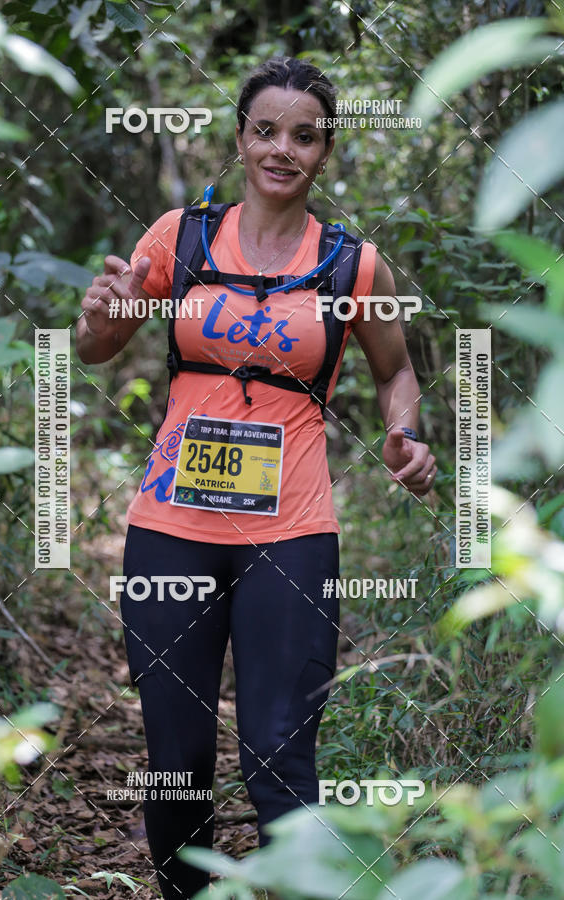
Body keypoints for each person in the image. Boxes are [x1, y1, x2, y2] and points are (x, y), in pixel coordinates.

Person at [76, 56, 436, 900]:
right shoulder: (179, 237)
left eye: (304, 136)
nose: (283, 149)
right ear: (240, 139)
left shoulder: (355, 266)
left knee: (279, 752)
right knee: (177, 761)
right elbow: (100, 346)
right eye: (266, 131)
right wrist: (98, 317)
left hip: (291, 534)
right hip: (170, 528)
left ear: (325, 152)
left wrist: (405, 435)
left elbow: (397, 372)